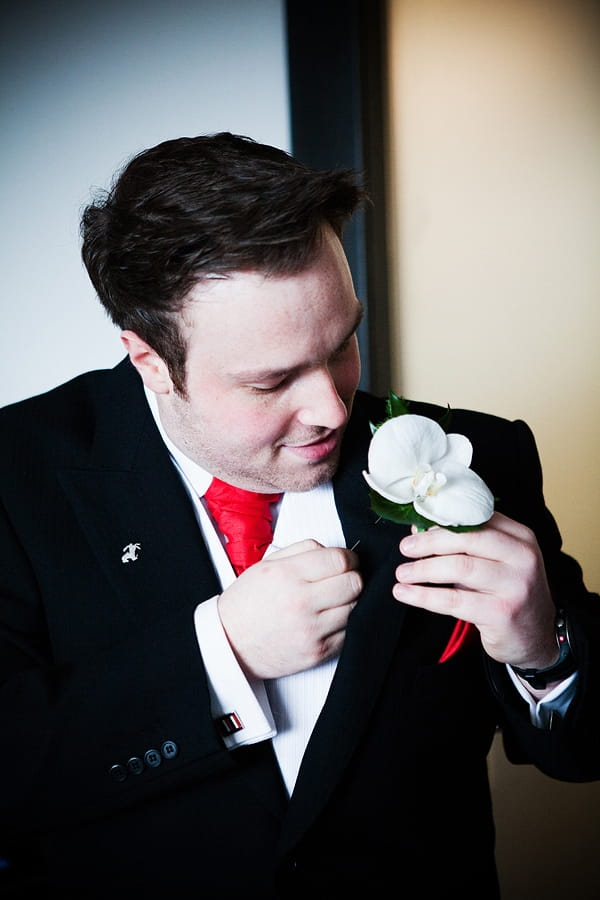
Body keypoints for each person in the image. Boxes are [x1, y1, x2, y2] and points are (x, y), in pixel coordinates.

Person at [0, 132, 598, 899]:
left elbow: (582, 752)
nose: (332, 408)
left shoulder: (477, 454)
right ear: (150, 358)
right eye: (272, 380)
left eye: (343, 343)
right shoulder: (17, 480)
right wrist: (222, 654)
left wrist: (545, 653)